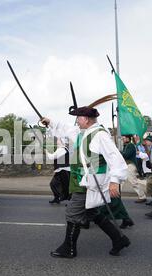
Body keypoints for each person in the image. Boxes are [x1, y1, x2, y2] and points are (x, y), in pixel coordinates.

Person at [41, 106, 130, 259]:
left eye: (78, 118)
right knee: (91, 212)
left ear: (86, 119)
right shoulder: (84, 133)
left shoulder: (100, 135)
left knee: (73, 213)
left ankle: (69, 249)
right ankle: (119, 239)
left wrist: (115, 181)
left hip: (91, 181)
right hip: (82, 179)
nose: (76, 121)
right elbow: (66, 129)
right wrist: (50, 122)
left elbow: (115, 158)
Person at [121, 135, 147, 203]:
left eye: (124, 138)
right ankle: (116, 196)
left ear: (127, 138)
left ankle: (142, 196)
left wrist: (119, 152)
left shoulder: (130, 145)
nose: (122, 139)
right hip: (126, 165)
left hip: (130, 165)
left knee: (133, 182)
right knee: (120, 181)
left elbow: (126, 155)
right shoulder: (127, 145)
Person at [46, 137, 71, 204]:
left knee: (64, 186)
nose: (57, 141)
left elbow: (52, 157)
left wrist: (46, 152)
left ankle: (68, 200)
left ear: (62, 142)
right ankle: (57, 198)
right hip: (62, 171)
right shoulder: (62, 149)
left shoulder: (61, 149)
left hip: (63, 171)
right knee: (54, 184)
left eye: (58, 140)